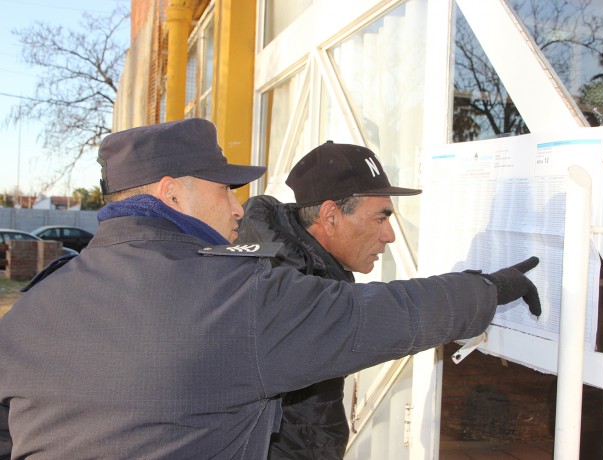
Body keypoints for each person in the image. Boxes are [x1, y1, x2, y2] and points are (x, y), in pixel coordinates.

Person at [0, 118, 541, 460]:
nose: (237, 206)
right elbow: (387, 315)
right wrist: (488, 289)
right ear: (172, 194)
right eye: (224, 189)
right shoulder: (232, 296)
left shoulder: (36, 303)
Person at [237, 141, 423, 459]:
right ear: (330, 216)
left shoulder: (302, 273)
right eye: (381, 218)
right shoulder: (289, 295)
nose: (390, 235)